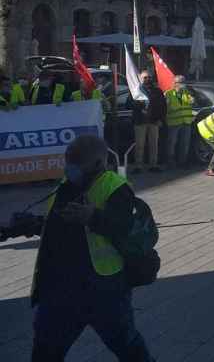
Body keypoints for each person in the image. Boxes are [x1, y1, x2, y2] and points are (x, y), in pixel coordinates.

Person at [26, 135, 155, 361]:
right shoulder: (66, 186)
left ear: (97, 164)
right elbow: (57, 224)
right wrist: (27, 225)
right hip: (61, 288)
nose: (69, 167)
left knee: (127, 345)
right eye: (67, 160)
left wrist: (94, 218)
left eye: (76, 162)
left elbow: (128, 231)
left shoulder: (115, 188)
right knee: (45, 349)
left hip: (104, 290)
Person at [129, 70, 165, 173]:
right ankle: (138, 166)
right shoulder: (136, 91)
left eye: (149, 77)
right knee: (140, 145)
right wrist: (139, 104)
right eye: (145, 77)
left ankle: (153, 165)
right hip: (140, 121)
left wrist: (160, 119)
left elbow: (162, 106)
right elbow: (128, 104)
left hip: (154, 121)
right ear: (140, 79)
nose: (147, 79)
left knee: (154, 144)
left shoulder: (157, 91)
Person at [164, 75, 194, 168]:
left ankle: (182, 162)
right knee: (172, 143)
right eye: (181, 82)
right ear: (175, 83)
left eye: (183, 82)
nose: (183, 84)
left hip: (186, 121)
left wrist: (192, 96)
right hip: (174, 122)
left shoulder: (187, 93)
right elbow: (165, 107)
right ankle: (170, 162)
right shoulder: (168, 93)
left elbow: (192, 102)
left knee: (185, 143)